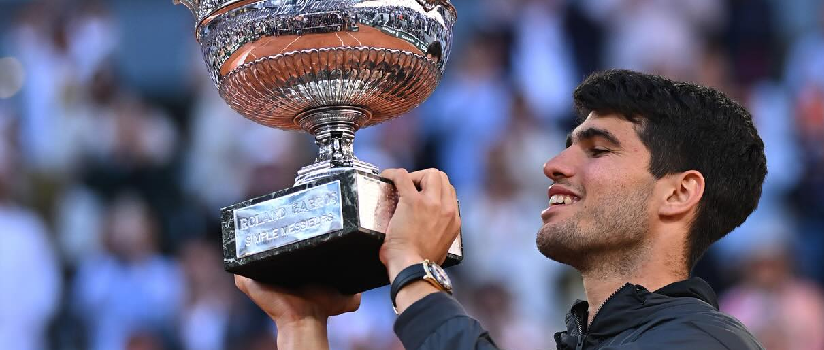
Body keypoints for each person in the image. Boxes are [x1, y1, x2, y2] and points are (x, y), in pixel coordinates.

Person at [234, 69, 768, 349]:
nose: (553, 165)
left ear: (679, 193)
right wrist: (302, 327)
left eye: (598, 149)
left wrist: (417, 273)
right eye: (568, 143)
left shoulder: (705, 342)